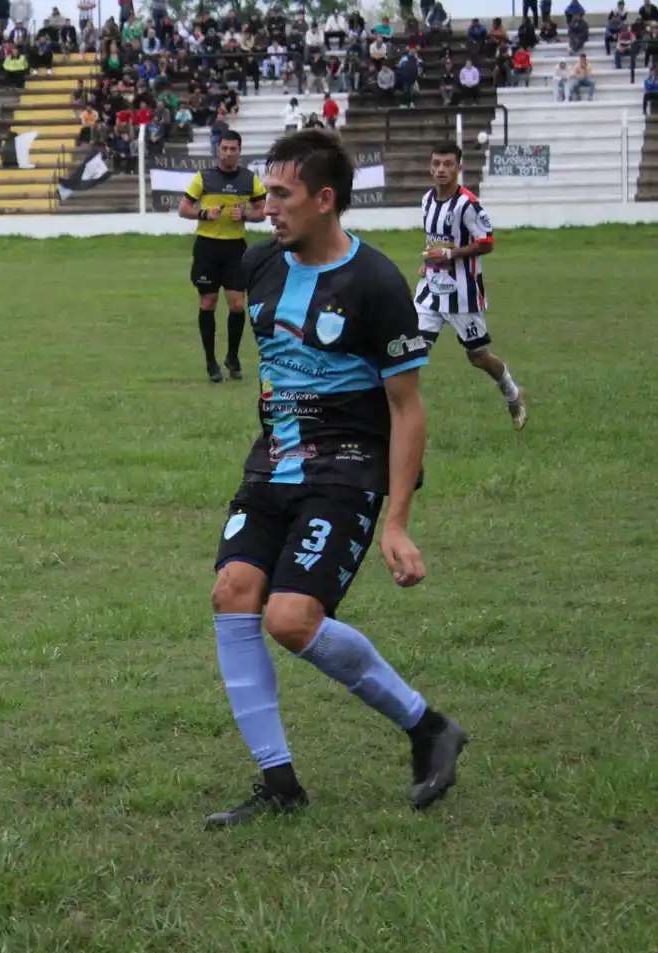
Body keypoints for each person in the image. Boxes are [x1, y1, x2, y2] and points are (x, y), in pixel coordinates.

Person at [206, 128, 468, 827]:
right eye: (266, 193)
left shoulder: (376, 282)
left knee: (290, 619)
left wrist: (398, 518)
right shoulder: (261, 267)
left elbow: (408, 409)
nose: (268, 207)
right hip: (272, 464)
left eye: (283, 194)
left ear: (325, 200)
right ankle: (279, 783)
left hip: (348, 469)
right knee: (232, 591)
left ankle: (428, 727)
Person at [414, 143, 527, 430]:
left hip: (462, 295)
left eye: (448, 164)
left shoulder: (467, 204)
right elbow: (434, 240)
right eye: (437, 163)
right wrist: (429, 262)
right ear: (430, 167)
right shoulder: (427, 200)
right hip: (431, 291)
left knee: (477, 357)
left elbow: (487, 242)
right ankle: (399, 420)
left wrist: (450, 255)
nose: (441, 169)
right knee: (413, 351)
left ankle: (512, 392)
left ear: (458, 168)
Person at [177, 129, 266, 382]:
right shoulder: (204, 178)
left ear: (239, 150)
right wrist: (204, 214)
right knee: (208, 302)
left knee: (237, 304)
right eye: (224, 148)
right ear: (218, 149)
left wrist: (246, 215)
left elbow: (263, 211)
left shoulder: (250, 179)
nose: (228, 153)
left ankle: (233, 357)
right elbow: (184, 209)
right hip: (207, 247)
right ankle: (211, 363)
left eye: (233, 149)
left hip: (235, 248)